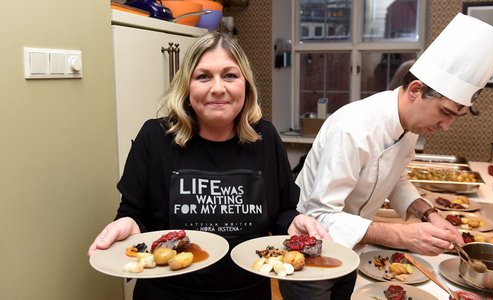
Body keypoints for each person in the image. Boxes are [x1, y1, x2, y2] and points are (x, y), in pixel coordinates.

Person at [279, 13, 493, 300]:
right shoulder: (353, 128)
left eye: (456, 117)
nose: (446, 126)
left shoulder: (409, 125)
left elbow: (396, 178)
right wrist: (402, 235)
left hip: (352, 247)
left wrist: (429, 214)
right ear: (416, 90)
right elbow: (321, 215)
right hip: (310, 252)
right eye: (445, 113)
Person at [88, 32, 329, 300]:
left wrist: (295, 223)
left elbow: (282, 212)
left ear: (246, 85)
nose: (217, 88)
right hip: (168, 293)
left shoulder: (266, 138)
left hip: (246, 293)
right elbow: (134, 213)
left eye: (229, 75)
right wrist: (128, 223)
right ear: (186, 87)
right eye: (203, 76)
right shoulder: (154, 138)